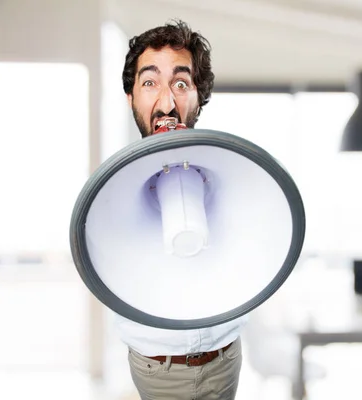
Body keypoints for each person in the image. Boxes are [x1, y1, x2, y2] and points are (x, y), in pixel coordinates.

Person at [117, 19, 248, 400]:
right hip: (156, 367)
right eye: (149, 82)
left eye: (180, 83)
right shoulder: (109, 193)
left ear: (198, 97)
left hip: (225, 358)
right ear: (131, 97)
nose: (166, 102)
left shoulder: (235, 176)